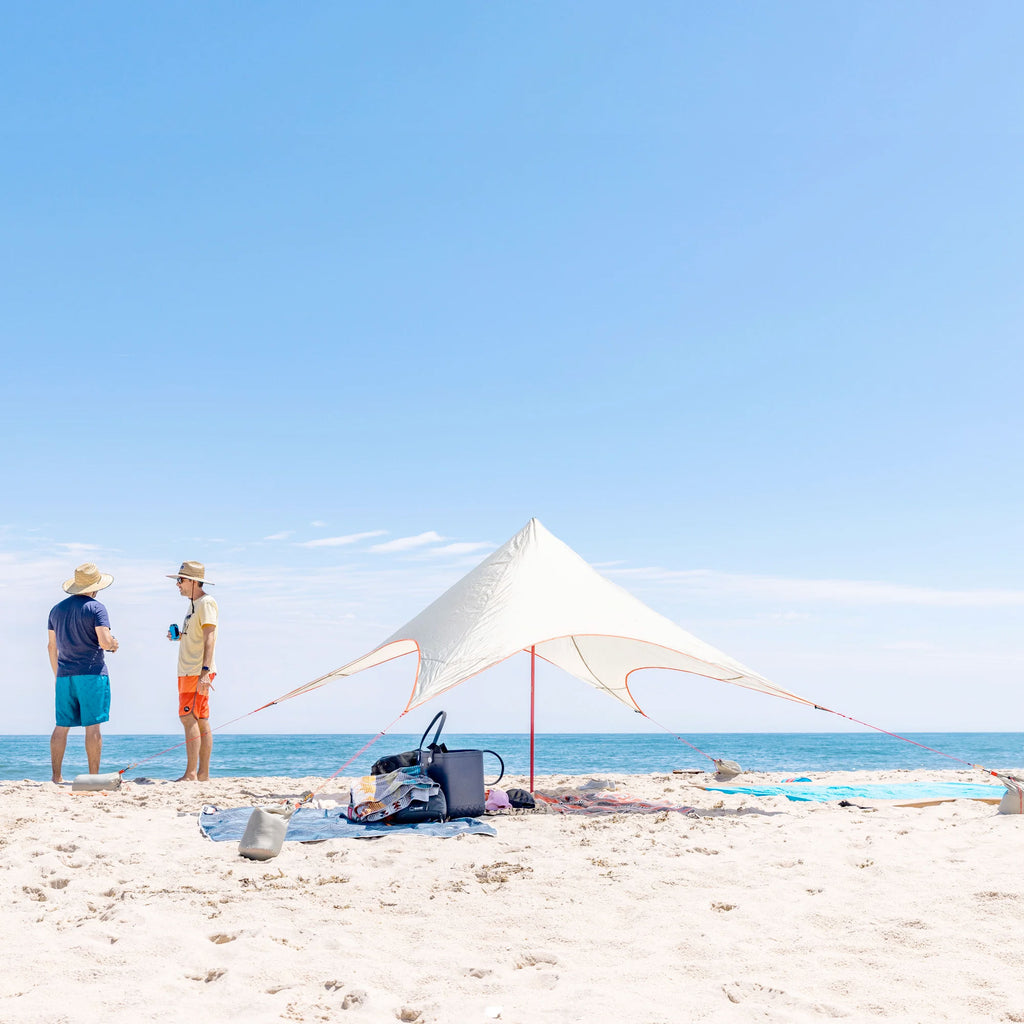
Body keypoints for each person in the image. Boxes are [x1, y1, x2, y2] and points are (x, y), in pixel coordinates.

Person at [47, 563, 119, 784]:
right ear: (95, 587)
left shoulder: (56, 610)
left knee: (61, 726)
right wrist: (114, 644)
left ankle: (56, 777)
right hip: (92, 674)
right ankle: (93, 777)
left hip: (64, 676)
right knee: (93, 727)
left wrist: (58, 674)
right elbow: (104, 642)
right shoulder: (96, 608)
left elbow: (51, 647)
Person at [167, 560, 218, 782]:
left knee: (188, 717)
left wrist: (205, 670)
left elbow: (210, 636)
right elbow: (198, 635)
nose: (177, 584)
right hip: (189, 669)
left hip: (196, 670)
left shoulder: (206, 602)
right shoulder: (194, 604)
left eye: (181, 580)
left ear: (194, 582)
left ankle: (191, 774)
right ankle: (202, 774)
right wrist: (180, 637)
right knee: (200, 719)